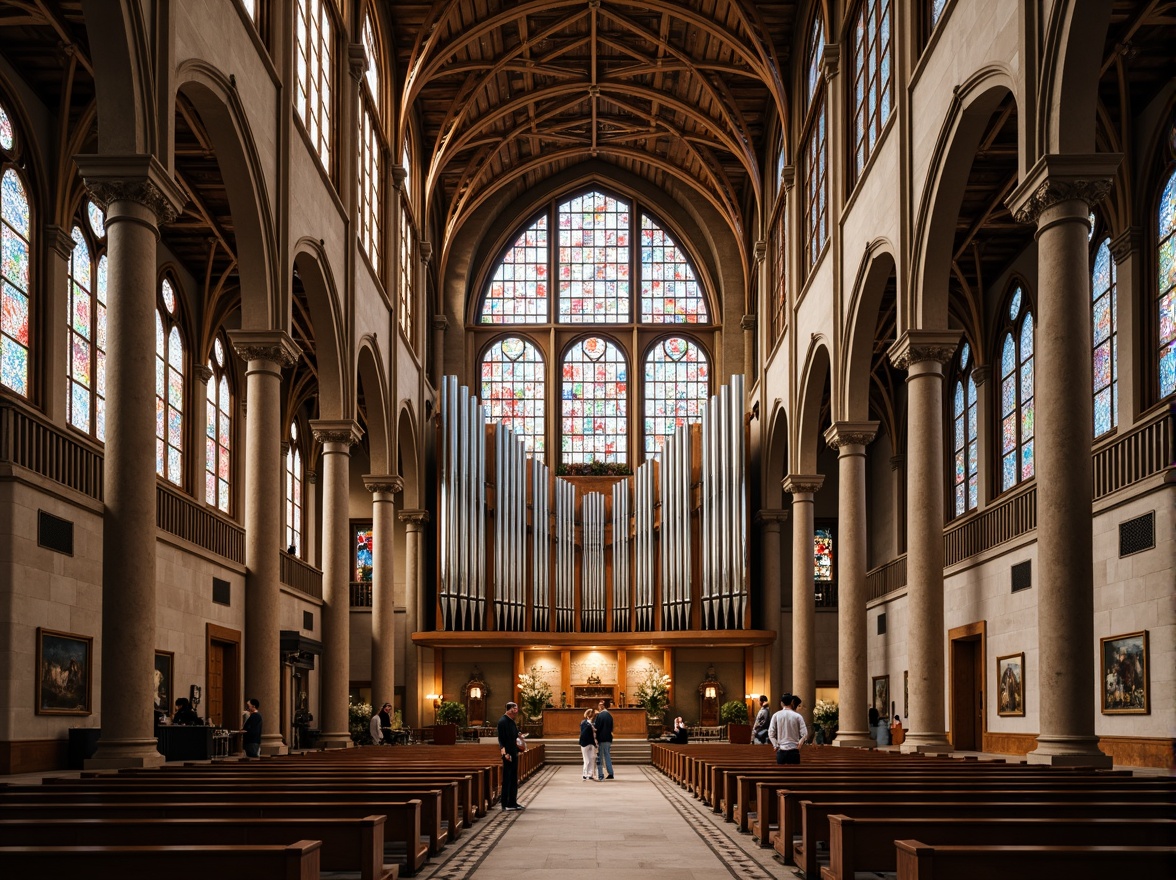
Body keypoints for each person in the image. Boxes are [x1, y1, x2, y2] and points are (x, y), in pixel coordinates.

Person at [496, 701, 526, 810]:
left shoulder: (512, 721)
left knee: (513, 778)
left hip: (514, 752)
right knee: (507, 778)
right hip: (508, 754)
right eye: (515, 709)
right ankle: (506, 803)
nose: (516, 711)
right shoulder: (503, 721)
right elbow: (501, 740)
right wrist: (505, 753)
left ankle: (513, 802)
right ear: (509, 709)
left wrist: (520, 735)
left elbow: (515, 733)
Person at [767, 692, 807, 764]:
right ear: (792, 702)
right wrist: (800, 744)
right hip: (794, 750)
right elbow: (804, 734)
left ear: (781, 703)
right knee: (794, 774)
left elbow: (771, 733)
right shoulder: (797, 716)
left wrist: (775, 745)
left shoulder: (776, 715)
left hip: (781, 750)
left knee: (780, 774)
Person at [593, 699, 614, 780]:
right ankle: (610, 773)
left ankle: (601, 774)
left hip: (601, 738)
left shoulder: (600, 716)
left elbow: (596, 727)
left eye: (599, 706)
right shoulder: (609, 715)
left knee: (600, 757)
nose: (598, 707)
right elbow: (611, 728)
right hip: (608, 738)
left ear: (601, 706)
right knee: (607, 755)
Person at [579, 708, 597, 779]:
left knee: (590, 758)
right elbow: (586, 734)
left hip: (587, 743)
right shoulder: (586, 724)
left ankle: (589, 774)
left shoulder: (584, 723)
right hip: (587, 743)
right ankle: (585, 773)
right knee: (587, 759)